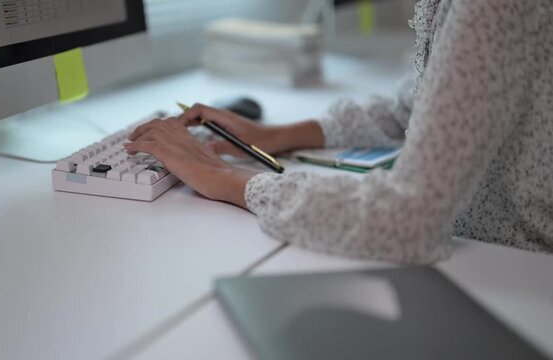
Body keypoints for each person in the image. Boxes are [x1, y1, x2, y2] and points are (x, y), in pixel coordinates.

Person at [125, 0, 553, 263]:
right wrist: (278, 135)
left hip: (516, 267)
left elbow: (408, 218)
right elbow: (412, 105)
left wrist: (227, 179)